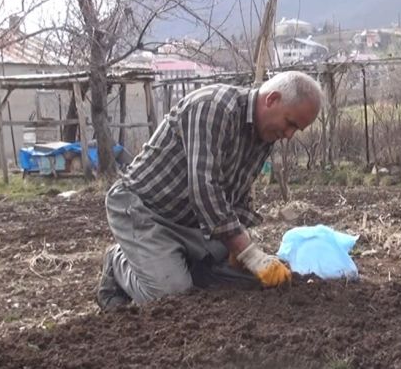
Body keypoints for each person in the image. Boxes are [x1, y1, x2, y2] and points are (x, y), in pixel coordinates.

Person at [96, 71, 323, 310]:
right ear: (272, 99)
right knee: (172, 298)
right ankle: (118, 261)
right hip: (145, 209)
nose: (288, 136)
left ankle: (181, 263)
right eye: (290, 124)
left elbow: (239, 194)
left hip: (192, 221)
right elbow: (204, 188)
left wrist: (241, 244)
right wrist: (247, 251)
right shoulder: (213, 108)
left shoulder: (264, 135)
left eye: (296, 130)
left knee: (246, 282)